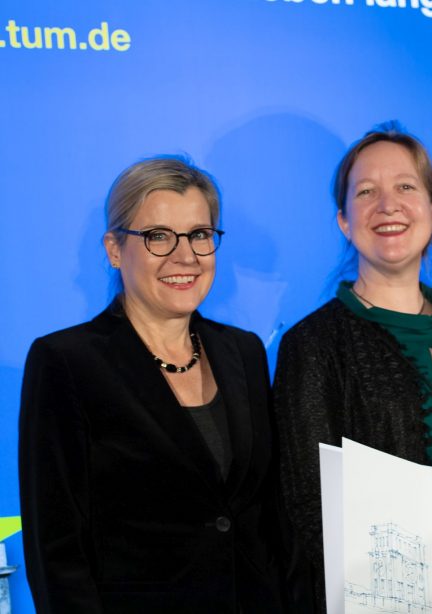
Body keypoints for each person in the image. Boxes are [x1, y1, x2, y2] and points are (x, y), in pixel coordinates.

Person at [19, 157, 310, 613]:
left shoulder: (245, 352)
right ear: (115, 249)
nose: (185, 256)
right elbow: (56, 550)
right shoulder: (66, 363)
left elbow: (271, 518)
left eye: (199, 234)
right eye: (158, 236)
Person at [273, 124, 432, 612]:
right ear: (343, 220)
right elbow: (309, 508)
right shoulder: (312, 344)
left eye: (405, 186)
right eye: (366, 192)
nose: (388, 205)